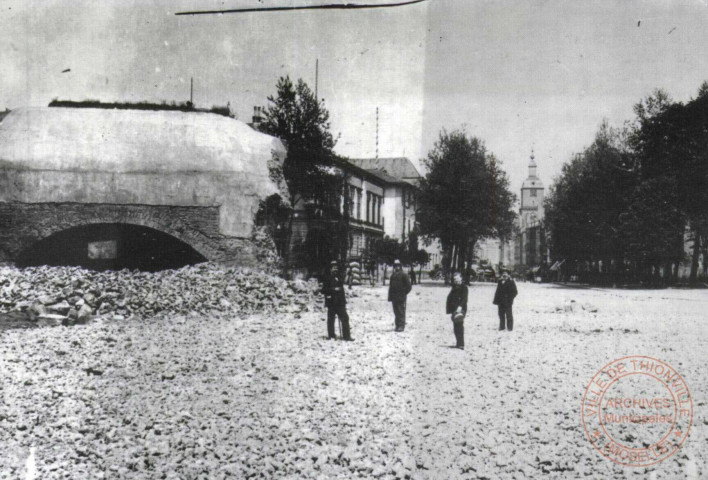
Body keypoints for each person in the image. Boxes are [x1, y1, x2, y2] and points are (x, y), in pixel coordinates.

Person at [323, 261, 353, 341]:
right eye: (333, 268)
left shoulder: (339, 276)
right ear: (330, 269)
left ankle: (346, 336)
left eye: (336, 267)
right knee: (331, 319)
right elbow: (324, 290)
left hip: (340, 302)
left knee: (345, 318)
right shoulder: (327, 277)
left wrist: (348, 273)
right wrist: (333, 290)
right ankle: (331, 335)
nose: (335, 269)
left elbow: (344, 282)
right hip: (331, 302)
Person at [446, 271, 468, 349]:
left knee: (459, 325)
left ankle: (461, 343)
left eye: (457, 278)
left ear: (461, 278)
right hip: (454, 309)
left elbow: (465, 299)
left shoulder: (464, 287)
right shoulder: (454, 287)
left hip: (460, 308)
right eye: (455, 279)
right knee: (455, 326)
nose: (456, 280)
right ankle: (458, 343)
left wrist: (460, 306)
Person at [388, 259, 411, 332]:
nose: (397, 267)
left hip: (401, 297)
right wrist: (390, 297)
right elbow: (391, 286)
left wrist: (403, 293)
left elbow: (409, 286)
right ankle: (397, 325)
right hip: (394, 297)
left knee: (401, 311)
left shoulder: (404, 275)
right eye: (395, 266)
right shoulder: (393, 275)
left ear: (400, 266)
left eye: (398, 266)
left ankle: (401, 326)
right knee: (396, 311)